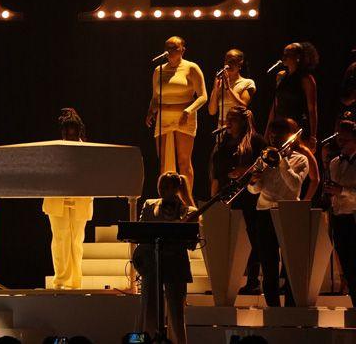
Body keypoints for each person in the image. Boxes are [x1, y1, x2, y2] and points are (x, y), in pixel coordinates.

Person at [247, 118, 310, 307]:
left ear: (288, 137)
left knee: (290, 264)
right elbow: (255, 191)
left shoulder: (301, 159)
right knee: (268, 264)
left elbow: (295, 185)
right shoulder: (263, 157)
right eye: (271, 135)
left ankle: (291, 308)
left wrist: (282, 162)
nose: (273, 139)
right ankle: (273, 309)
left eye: (278, 135)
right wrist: (254, 181)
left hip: (288, 213)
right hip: (265, 211)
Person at [208, 106, 267, 294]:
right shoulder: (224, 142)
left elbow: (265, 167)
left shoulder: (256, 141)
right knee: (228, 240)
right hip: (227, 196)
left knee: (253, 238)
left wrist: (244, 171)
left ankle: (253, 281)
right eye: (227, 119)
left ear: (242, 121)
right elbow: (217, 173)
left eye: (232, 119)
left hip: (249, 197)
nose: (228, 123)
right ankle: (223, 282)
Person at [132, 172, 195, 344]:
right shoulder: (149, 204)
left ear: (176, 189)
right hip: (152, 264)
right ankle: (145, 341)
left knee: (176, 313)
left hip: (175, 264)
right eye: (160, 186)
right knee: (147, 309)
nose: (161, 190)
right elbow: (141, 233)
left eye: (166, 187)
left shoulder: (189, 211)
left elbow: (191, 243)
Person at [145, 36, 207, 199]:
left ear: (182, 50)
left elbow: (202, 96)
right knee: (163, 163)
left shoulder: (191, 68)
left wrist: (188, 110)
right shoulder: (159, 70)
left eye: (174, 48)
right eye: (168, 48)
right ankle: (167, 199)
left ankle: (187, 201)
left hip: (184, 118)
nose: (170, 52)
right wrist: (150, 111)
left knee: (184, 162)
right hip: (163, 118)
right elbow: (155, 96)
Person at [42, 108, 92, 290]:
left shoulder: (88, 150)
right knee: (60, 240)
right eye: (67, 131)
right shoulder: (55, 149)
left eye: (74, 130)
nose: (70, 134)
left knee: (76, 241)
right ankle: (62, 281)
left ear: (79, 130)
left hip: (79, 200)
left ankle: (76, 282)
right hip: (58, 200)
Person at [325, 120, 356, 307]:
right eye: (339, 137)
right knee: (346, 264)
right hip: (339, 218)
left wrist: (341, 191)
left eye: (345, 138)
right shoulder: (335, 162)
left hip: (353, 217)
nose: (340, 141)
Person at [268, 42, 319, 151]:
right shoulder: (281, 76)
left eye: (288, 54)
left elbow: (312, 110)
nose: (284, 57)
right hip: (280, 126)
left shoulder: (306, 79)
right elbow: (275, 105)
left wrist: (313, 136)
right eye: (284, 53)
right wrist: (268, 130)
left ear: (298, 57)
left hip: (297, 126)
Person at [207, 49, 256, 129]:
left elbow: (242, 107)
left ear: (240, 64)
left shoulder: (247, 83)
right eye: (227, 61)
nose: (228, 64)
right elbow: (212, 111)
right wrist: (215, 89)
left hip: (238, 129)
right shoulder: (220, 83)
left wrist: (228, 88)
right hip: (222, 129)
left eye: (232, 61)